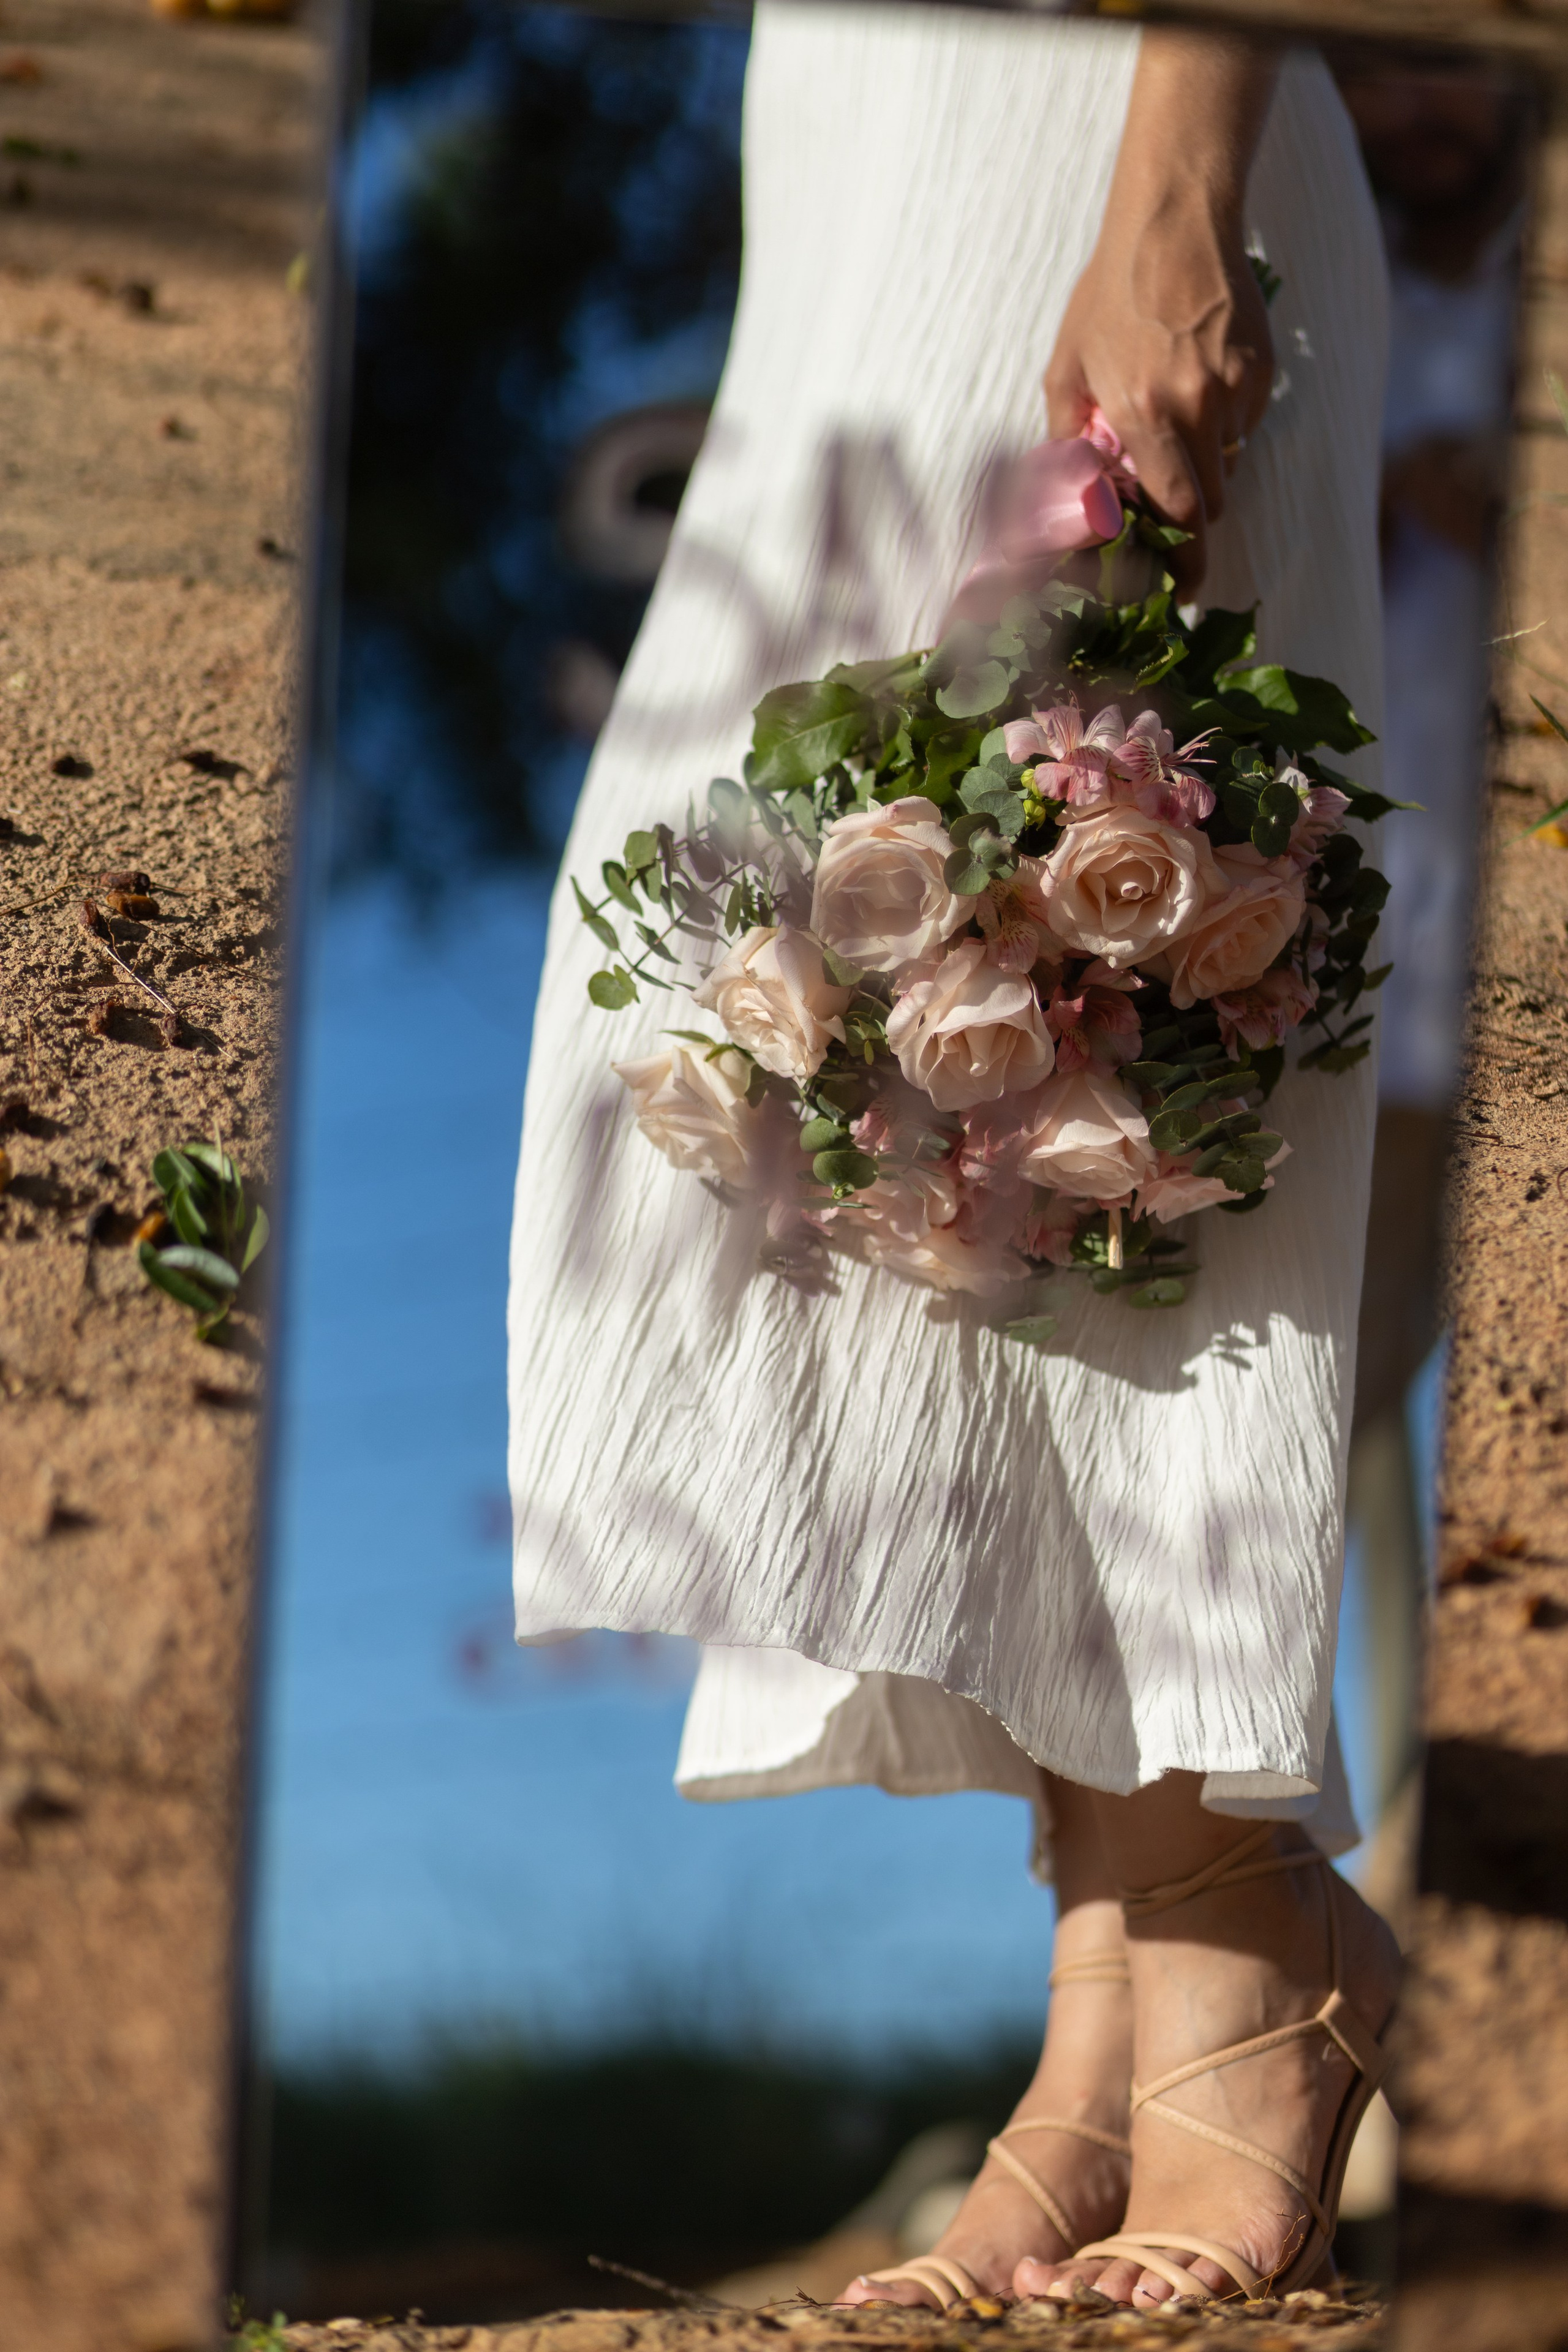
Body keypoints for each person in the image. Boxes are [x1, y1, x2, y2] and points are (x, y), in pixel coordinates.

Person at [509, 7, 1400, 2309]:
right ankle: (1110, 2014)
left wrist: (1182, 187)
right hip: (870, 125)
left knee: (1110, 947)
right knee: (878, 1008)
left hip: (1103, 114)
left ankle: (1231, 1936)